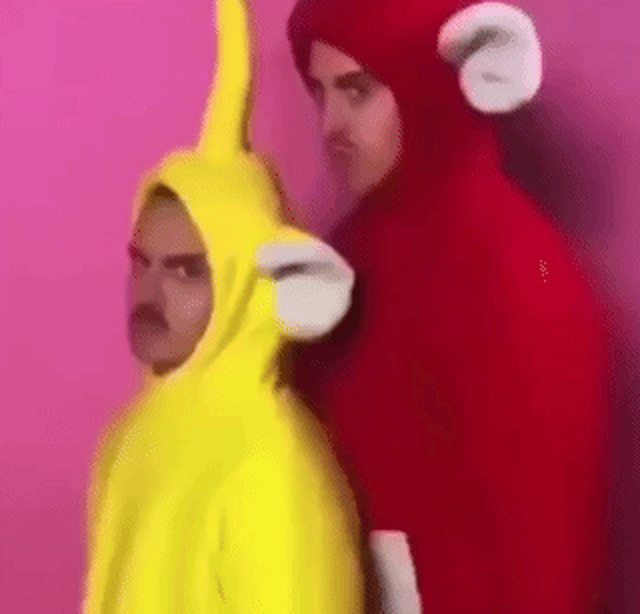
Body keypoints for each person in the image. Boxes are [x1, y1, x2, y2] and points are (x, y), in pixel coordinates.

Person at [286, 0, 609, 612]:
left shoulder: (518, 265)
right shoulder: (348, 255)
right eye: (320, 92)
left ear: (426, 84)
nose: (330, 124)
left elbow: (546, 549)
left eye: (357, 90)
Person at [83, 0, 365, 611]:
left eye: (188, 270)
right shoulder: (127, 439)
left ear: (251, 285)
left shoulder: (273, 467)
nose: (150, 292)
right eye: (142, 261)